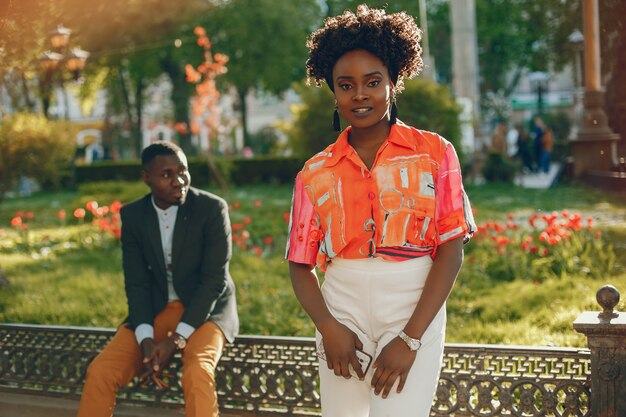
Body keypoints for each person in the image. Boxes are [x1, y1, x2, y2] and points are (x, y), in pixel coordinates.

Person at [285, 5, 475, 417]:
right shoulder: (314, 172)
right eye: (345, 85)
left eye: (373, 82)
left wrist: (409, 339)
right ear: (332, 90)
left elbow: (451, 248)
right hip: (340, 308)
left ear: (394, 82)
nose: (359, 95)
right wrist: (328, 329)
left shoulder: (435, 154)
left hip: (413, 302)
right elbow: (300, 265)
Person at [77, 141, 238, 417]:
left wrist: (175, 341)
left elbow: (214, 282)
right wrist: (146, 341)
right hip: (156, 310)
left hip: (206, 311)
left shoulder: (211, 209)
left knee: (198, 370)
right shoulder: (134, 215)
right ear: (146, 178)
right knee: (100, 371)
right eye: (166, 174)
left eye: (183, 171)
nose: (179, 181)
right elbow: (136, 283)